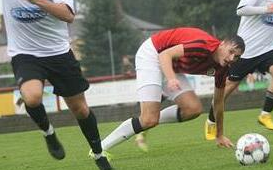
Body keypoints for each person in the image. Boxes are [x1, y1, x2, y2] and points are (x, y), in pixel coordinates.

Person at [0, 0, 112, 170]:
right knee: (31, 97)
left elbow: (68, 15)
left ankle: (99, 153)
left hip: (58, 53)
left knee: (80, 109)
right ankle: (48, 133)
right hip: (25, 53)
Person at [97, 27, 244, 156]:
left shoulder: (223, 69)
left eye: (236, 56)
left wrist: (220, 135)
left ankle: (148, 121)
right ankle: (98, 149)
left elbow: (218, 102)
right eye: (231, 52)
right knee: (148, 119)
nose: (232, 58)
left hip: (171, 66)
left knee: (193, 109)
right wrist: (171, 78)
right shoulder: (202, 46)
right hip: (153, 53)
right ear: (222, 43)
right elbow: (164, 55)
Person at [205, 0, 273, 140]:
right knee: (227, 90)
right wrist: (264, 8)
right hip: (245, 50)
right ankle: (211, 120)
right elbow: (240, 10)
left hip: (268, 49)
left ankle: (265, 115)